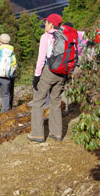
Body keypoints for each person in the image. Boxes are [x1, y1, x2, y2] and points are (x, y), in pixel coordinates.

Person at [28, 14, 65, 143]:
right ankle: (56, 133)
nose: (45, 24)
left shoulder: (46, 37)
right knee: (55, 102)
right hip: (62, 73)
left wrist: (36, 75)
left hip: (48, 71)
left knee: (38, 101)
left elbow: (41, 58)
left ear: (51, 24)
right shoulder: (64, 36)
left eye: (46, 22)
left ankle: (37, 134)